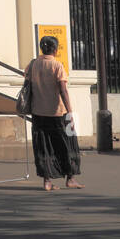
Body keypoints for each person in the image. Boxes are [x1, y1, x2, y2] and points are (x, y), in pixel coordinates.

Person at [25, 35, 83, 192]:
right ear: (55, 50)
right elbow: (63, 90)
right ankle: (70, 178)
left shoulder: (33, 64)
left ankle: (47, 181)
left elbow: (27, 82)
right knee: (67, 145)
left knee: (43, 146)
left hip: (38, 112)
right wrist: (70, 111)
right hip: (58, 113)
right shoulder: (57, 65)